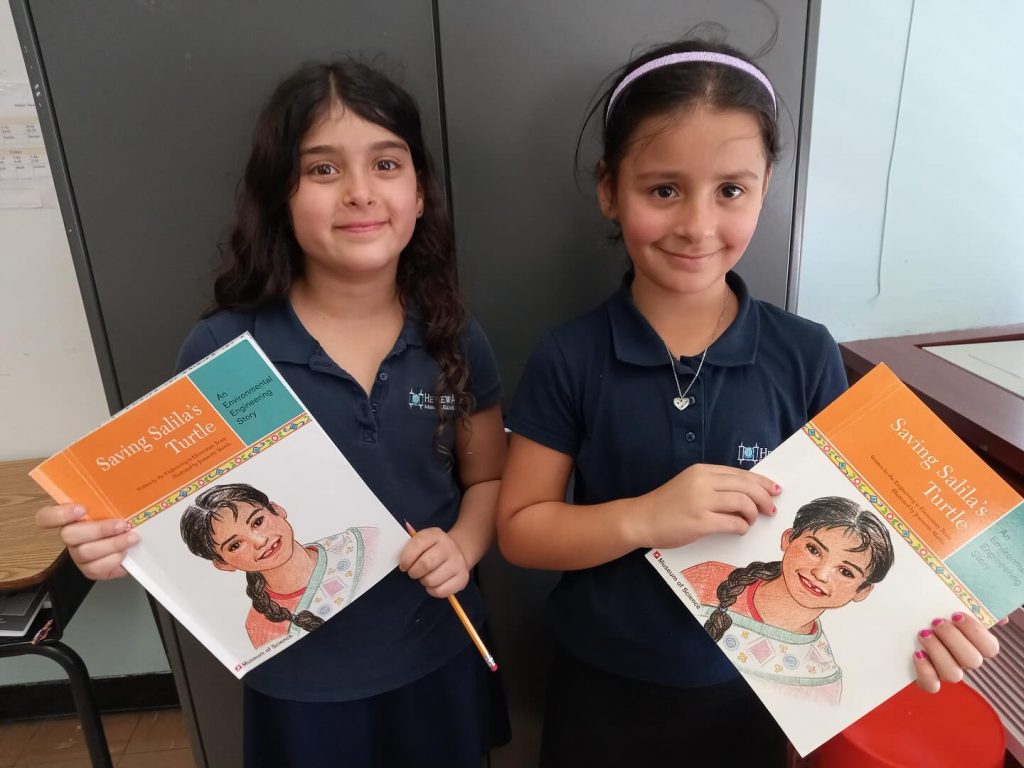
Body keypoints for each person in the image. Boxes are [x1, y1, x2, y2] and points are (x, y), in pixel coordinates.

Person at [496, 39, 1002, 766]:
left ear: (766, 185)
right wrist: (645, 517)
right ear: (611, 189)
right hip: (603, 690)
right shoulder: (570, 355)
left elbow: (867, 530)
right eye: (663, 189)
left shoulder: (805, 353)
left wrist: (929, 626)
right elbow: (522, 529)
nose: (698, 226)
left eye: (730, 190)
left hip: (763, 694)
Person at [37, 59, 509, 768]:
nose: (359, 192)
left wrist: (464, 548)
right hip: (299, 681)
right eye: (322, 170)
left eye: (386, 163)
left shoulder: (454, 336)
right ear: (279, 195)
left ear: (418, 193)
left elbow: (491, 482)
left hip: (437, 651)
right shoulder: (226, 348)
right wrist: (105, 544)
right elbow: (176, 516)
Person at [684, 496, 895, 704]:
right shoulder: (707, 578)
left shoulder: (821, 677)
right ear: (788, 538)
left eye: (845, 572)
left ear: (863, 591)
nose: (820, 574)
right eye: (814, 550)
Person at [179, 482, 378, 649]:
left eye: (257, 522)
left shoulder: (366, 543)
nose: (259, 541)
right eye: (236, 545)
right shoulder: (260, 625)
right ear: (223, 564)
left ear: (277, 510)